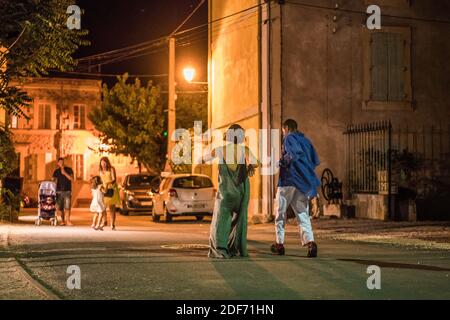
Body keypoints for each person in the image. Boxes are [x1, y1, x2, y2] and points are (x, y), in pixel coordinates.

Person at [206, 124, 259, 259]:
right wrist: (250, 165)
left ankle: (221, 249)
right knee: (240, 220)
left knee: (221, 220)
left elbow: (205, 158)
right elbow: (257, 163)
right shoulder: (245, 150)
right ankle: (238, 248)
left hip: (225, 193)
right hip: (241, 193)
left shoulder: (220, 150)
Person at [271, 119, 320, 258]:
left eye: (282, 130)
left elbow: (292, 155)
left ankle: (279, 244)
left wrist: (280, 162)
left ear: (286, 128)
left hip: (288, 180)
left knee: (280, 213)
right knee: (302, 214)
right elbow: (314, 160)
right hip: (302, 182)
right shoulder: (305, 140)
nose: (283, 133)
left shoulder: (289, 138)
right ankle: (310, 243)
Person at [99, 157, 120, 230]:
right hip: (104, 190)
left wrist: (108, 183)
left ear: (107, 163)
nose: (103, 164)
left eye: (104, 162)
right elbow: (100, 180)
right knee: (102, 207)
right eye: (102, 163)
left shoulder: (111, 169)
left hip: (111, 189)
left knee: (112, 208)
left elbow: (114, 179)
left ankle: (112, 224)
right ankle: (104, 221)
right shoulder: (100, 171)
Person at [52, 157, 74, 226]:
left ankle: (68, 221)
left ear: (64, 162)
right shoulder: (56, 171)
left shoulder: (69, 169)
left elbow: (72, 179)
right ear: (58, 163)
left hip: (67, 191)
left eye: (62, 162)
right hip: (59, 191)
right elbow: (53, 181)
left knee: (67, 207)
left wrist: (64, 173)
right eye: (60, 162)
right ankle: (62, 221)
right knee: (60, 208)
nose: (61, 163)